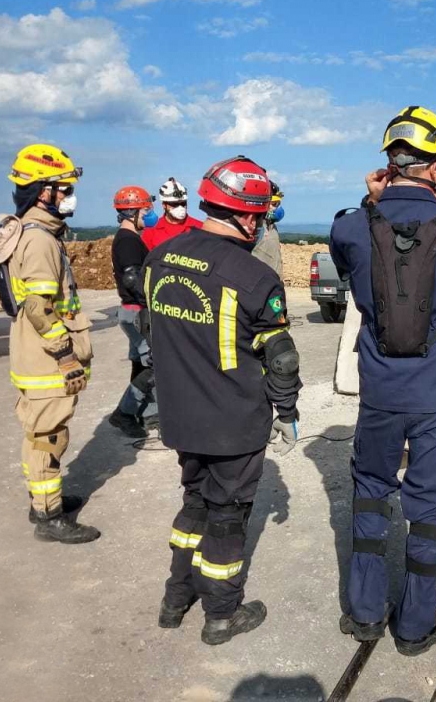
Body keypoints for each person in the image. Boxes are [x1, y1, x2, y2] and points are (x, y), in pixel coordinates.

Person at [330, 106, 436, 656]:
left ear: (388, 162)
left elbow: (347, 254)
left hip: (380, 390)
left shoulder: (351, 226)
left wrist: (371, 201)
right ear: (434, 168)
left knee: (370, 493)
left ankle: (363, 614)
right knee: (428, 504)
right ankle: (414, 625)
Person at [145, 156, 302, 646]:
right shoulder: (254, 277)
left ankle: (175, 598)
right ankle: (221, 614)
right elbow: (280, 360)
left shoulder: (160, 259)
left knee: (194, 500)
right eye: (260, 216)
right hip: (233, 420)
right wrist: (288, 410)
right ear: (250, 216)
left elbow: (150, 335)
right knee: (228, 514)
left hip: (179, 415)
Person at [6, 144, 100, 544]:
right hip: (47, 362)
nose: (68, 195)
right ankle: (49, 517)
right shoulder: (41, 240)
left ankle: (44, 500)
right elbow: (39, 308)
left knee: (43, 432)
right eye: (63, 188)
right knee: (47, 436)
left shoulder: (32, 232)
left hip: (34, 356)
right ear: (43, 191)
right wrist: (65, 355)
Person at [108, 186, 159, 439]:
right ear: (132, 212)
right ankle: (124, 414)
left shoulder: (129, 238)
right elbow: (132, 279)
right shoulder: (128, 240)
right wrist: (152, 304)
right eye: (146, 209)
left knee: (142, 364)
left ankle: (149, 415)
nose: (150, 214)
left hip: (133, 311)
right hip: (138, 311)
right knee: (153, 365)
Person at [141, 177, 203, 250]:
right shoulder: (151, 231)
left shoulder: (200, 228)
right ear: (164, 205)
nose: (180, 207)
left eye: (183, 203)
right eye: (174, 204)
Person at [252, 180, 285, 276]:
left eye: (278, 204)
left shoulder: (272, 226)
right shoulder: (255, 228)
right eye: (274, 204)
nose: (277, 208)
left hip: (275, 282)